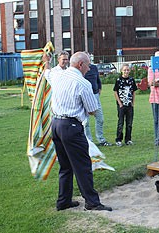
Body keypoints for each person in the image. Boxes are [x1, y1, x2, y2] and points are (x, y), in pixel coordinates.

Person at [43, 51, 112, 211]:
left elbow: (47, 73)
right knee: (83, 165)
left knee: (65, 166)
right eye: (88, 65)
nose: (89, 69)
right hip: (71, 127)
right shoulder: (82, 83)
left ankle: (63, 201)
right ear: (80, 64)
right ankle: (92, 202)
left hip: (56, 124)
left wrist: (47, 61)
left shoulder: (57, 75)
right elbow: (93, 109)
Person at [83, 57, 112, 146]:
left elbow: (98, 80)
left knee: (100, 118)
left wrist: (99, 88)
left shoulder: (94, 67)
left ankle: (101, 140)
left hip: (95, 96)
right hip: (86, 97)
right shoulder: (81, 70)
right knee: (86, 121)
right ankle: (89, 141)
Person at [113, 63, 138, 146]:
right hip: (121, 105)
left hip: (129, 105)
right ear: (121, 71)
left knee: (129, 123)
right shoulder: (118, 80)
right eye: (124, 70)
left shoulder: (131, 80)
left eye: (127, 70)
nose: (126, 71)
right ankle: (119, 139)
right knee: (120, 123)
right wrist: (120, 103)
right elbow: (115, 91)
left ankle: (128, 139)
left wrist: (133, 102)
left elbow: (134, 91)